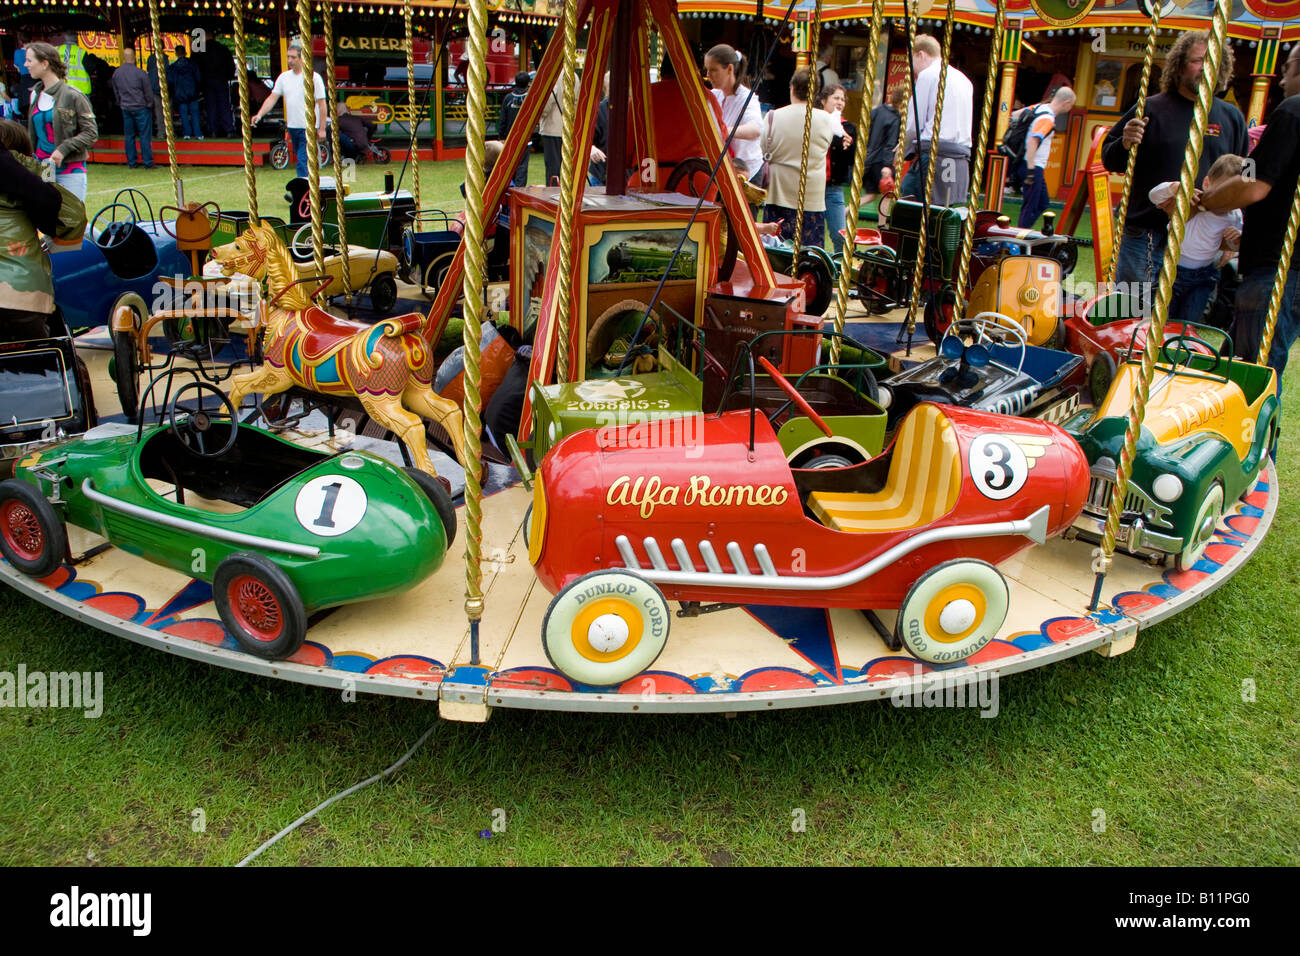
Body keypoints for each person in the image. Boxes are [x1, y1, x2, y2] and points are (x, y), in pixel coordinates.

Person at [1102, 30, 1246, 295]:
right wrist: (1124, 143)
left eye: (1212, 61)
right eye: (1197, 60)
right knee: (1130, 310)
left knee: (1179, 322)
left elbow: (1248, 173)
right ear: (1179, 66)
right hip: (1147, 232)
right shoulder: (1151, 108)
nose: (1205, 68)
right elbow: (1109, 157)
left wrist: (1235, 229)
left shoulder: (1232, 117)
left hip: (1203, 238)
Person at [1200, 40, 1300, 400]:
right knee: (1240, 360)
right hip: (1287, 269)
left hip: (1277, 266)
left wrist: (1209, 199)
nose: (1282, 81)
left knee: (1254, 371)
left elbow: (1253, 181)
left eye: (1286, 70)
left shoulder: (1291, 112)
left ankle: (1258, 454)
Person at [0, 118, 87, 341]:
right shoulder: (26, 172)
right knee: (39, 360)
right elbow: (73, 218)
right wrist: (53, 241)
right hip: (18, 290)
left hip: (17, 290)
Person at [1152, 154, 1244, 327]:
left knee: (1188, 322)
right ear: (1207, 183)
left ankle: (1181, 349)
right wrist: (1175, 187)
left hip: (1204, 275)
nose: (1229, 199)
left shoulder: (1235, 214)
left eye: (1236, 195)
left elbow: (1234, 242)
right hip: (1173, 271)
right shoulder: (1191, 201)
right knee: (1161, 319)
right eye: (1224, 192)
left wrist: (1235, 237)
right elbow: (1154, 195)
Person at [761, 68, 835, 249]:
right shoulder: (826, 119)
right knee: (809, 255)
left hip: (778, 193)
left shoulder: (773, 117)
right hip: (811, 196)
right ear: (816, 92)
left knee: (775, 253)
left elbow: (763, 149)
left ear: (792, 87)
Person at [898, 34, 974, 207]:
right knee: (945, 209)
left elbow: (913, 124)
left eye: (911, 61)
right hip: (959, 156)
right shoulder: (964, 80)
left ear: (921, 55)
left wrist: (901, 150)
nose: (912, 69)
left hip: (933, 152)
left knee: (909, 207)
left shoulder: (928, 75)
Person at [24, 42, 97, 202]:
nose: (25, 65)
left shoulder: (73, 96)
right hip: (44, 167)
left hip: (70, 168)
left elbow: (91, 133)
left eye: (29, 61)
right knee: (49, 220)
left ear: (44, 63)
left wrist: (63, 149)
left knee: (73, 221)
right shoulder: (34, 95)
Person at [252, 42, 327, 179]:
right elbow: (272, 98)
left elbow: (322, 104)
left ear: (301, 58)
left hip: (308, 127)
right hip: (293, 126)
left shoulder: (313, 77)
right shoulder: (284, 77)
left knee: (303, 161)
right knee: (302, 157)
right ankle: (308, 187)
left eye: (293, 57)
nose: (290, 61)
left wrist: (322, 128)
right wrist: (260, 114)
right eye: (288, 57)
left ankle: (303, 190)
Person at [704, 43, 764, 185]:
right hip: (724, 169)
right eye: (707, 69)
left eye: (713, 70)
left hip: (747, 172)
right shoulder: (714, 95)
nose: (708, 75)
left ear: (729, 69)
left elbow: (755, 129)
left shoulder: (746, 97)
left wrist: (724, 131)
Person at [1018, 86, 1075, 229]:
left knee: (1042, 201)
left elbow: (1015, 114)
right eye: (1071, 105)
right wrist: (1031, 169)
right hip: (1033, 165)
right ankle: (1020, 235)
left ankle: (1024, 231)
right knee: (1031, 204)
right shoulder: (1047, 118)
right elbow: (1033, 141)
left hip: (1031, 164)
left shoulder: (1039, 107)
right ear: (1066, 103)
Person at [816, 83, 855, 257]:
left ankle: (840, 266)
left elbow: (850, 160)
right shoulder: (815, 122)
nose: (839, 102)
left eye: (842, 99)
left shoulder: (848, 128)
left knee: (839, 234)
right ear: (824, 100)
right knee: (813, 235)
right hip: (814, 185)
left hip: (833, 187)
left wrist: (848, 145)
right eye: (835, 98)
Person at [111, 49, 155, 169]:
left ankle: (132, 162)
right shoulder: (140, 73)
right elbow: (148, 92)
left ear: (124, 58)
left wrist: (120, 102)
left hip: (126, 107)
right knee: (144, 135)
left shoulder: (117, 73)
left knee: (129, 136)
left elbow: (115, 91)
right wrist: (149, 104)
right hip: (141, 107)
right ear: (134, 58)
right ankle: (148, 162)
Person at [862, 86, 903, 210]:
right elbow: (890, 144)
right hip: (881, 160)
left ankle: (846, 211)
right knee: (887, 193)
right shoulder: (895, 118)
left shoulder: (877, 110)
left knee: (872, 194)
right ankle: (882, 224)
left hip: (868, 157)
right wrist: (887, 164)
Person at [194, 35, 236, 138]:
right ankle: (229, 129)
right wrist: (228, 75)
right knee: (225, 105)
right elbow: (231, 65)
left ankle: (213, 130)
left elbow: (196, 66)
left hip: (207, 80)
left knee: (211, 106)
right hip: (221, 79)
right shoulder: (223, 49)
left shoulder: (201, 50)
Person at [497, 71, 532, 187]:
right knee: (522, 166)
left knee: (510, 164)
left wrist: (501, 136)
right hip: (525, 138)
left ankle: (510, 188)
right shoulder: (530, 98)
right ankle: (520, 190)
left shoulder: (508, 98)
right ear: (528, 83)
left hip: (509, 138)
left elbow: (503, 118)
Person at [167, 51, 203, 140]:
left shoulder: (173, 67)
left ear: (176, 54)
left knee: (184, 114)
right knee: (195, 113)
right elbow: (198, 78)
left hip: (180, 94)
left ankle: (187, 133)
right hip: (192, 93)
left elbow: (169, 81)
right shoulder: (193, 65)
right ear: (186, 53)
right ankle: (197, 133)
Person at [538, 75, 563, 186]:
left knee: (553, 167)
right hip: (566, 127)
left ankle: (552, 194)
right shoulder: (575, 77)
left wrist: (540, 114)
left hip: (553, 126)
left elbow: (549, 99)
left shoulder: (556, 75)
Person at [55, 31, 91, 97]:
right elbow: (90, 68)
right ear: (76, 39)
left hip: (60, 89)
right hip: (80, 90)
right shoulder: (82, 52)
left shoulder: (56, 50)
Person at [146, 48, 166, 135]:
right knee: (166, 110)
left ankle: (160, 131)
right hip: (162, 86)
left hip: (154, 86)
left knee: (158, 110)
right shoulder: (164, 57)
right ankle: (165, 131)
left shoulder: (150, 58)